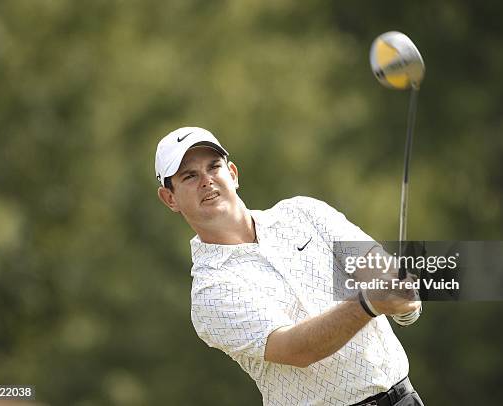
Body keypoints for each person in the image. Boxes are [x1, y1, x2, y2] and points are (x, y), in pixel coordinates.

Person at [155, 126, 424, 406]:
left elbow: (375, 267)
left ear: (232, 174)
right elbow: (297, 350)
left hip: (403, 397)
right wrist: (370, 302)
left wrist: (401, 298)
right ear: (170, 198)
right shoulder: (210, 291)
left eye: (214, 167)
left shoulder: (303, 212)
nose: (207, 181)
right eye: (189, 176)